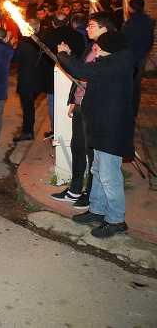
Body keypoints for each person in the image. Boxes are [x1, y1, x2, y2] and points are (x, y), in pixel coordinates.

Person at [59, 32, 134, 238]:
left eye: (98, 47)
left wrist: (64, 55)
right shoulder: (113, 61)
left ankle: (116, 220)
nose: (95, 49)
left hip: (112, 130)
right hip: (102, 127)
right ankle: (97, 210)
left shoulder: (114, 65)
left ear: (108, 48)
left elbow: (81, 69)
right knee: (98, 170)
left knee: (110, 176)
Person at [50, 13, 115, 208]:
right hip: (80, 105)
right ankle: (75, 189)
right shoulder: (90, 47)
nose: (88, 29)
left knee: (91, 153)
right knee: (78, 148)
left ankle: (90, 194)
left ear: (104, 28)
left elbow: (84, 72)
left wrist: (64, 56)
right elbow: (79, 74)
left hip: (93, 108)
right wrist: (73, 100)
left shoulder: (108, 51)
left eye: (92, 25)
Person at [12, 19, 44, 142]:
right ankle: (28, 130)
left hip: (27, 81)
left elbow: (15, 59)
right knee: (30, 107)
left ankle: (27, 132)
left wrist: (13, 47)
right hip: (39, 81)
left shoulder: (24, 44)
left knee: (28, 108)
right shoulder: (42, 41)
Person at [122, 0, 155, 116]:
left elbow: (124, 40)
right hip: (141, 57)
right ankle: (133, 111)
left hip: (129, 58)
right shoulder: (149, 21)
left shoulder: (129, 23)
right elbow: (150, 40)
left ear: (130, 8)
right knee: (136, 85)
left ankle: (127, 110)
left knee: (128, 84)